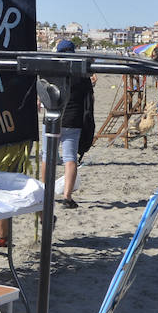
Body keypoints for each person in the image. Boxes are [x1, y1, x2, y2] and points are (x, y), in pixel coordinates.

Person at [56, 38, 96, 208]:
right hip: (73, 119)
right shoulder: (81, 74)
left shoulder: (53, 71)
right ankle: (67, 197)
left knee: (47, 157)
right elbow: (88, 99)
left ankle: (43, 193)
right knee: (70, 159)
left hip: (54, 117)